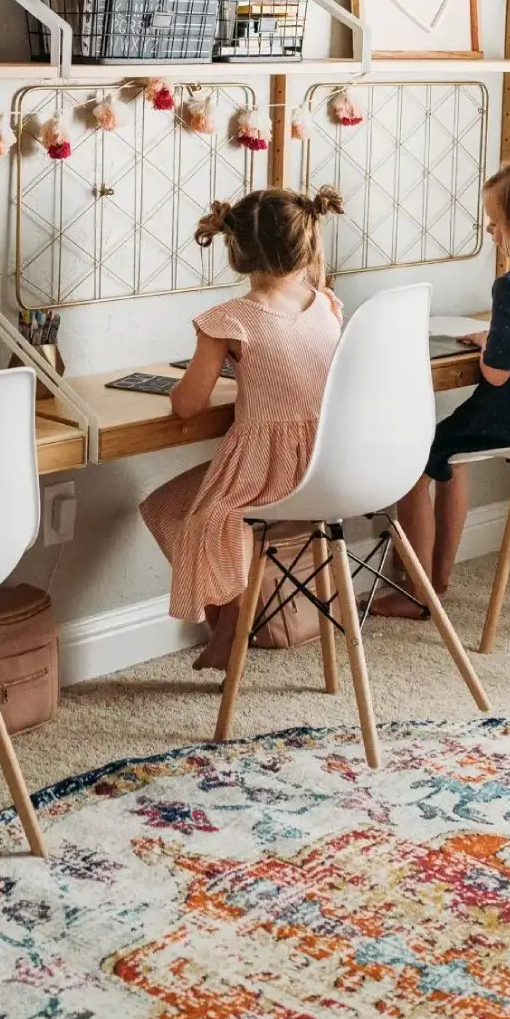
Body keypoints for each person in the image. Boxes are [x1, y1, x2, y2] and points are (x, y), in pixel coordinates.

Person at [376, 157, 510, 620]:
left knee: (421, 455)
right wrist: (499, 337)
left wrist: (491, 348)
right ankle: (439, 577)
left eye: (496, 224)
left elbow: (496, 375)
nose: (492, 233)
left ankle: (421, 589)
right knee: (450, 454)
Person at [141, 185, 345, 671]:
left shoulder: (230, 320)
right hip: (327, 467)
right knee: (184, 508)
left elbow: (188, 406)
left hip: (269, 476)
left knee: (175, 511)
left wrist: (180, 387)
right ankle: (233, 614)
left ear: (236, 251)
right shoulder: (327, 305)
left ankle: (231, 616)